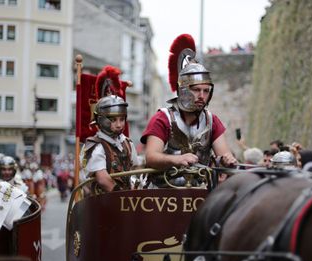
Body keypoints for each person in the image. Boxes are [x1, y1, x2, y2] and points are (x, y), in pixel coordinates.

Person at [140, 34, 237, 177]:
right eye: (196, 90)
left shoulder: (212, 121)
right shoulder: (162, 118)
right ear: (184, 90)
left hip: (200, 188)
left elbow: (223, 154)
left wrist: (227, 159)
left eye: (206, 91)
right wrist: (177, 159)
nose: (202, 96)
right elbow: (151, 157)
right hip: (162, 193)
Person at [81, 65, 138, 193]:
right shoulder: (96, 146)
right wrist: (123, 196)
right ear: (101, 120)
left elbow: (135, 168)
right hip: (102, 203)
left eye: (121, 119)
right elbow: (103, 179)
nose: (119, 124)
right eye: (113, 120)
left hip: (126, 202)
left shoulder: (127, 143)